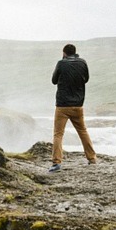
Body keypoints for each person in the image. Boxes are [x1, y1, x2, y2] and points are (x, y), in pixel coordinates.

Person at [49, 44, 97, 172]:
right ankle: (92, 158)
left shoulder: (61, 63)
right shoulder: (83, 63)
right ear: (75, 52)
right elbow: (86, 79)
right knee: (82, 131)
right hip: (78, 105)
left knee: (58, 134)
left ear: (64, 53)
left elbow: (54, 80)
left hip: (62, 106)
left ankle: (56, 163)